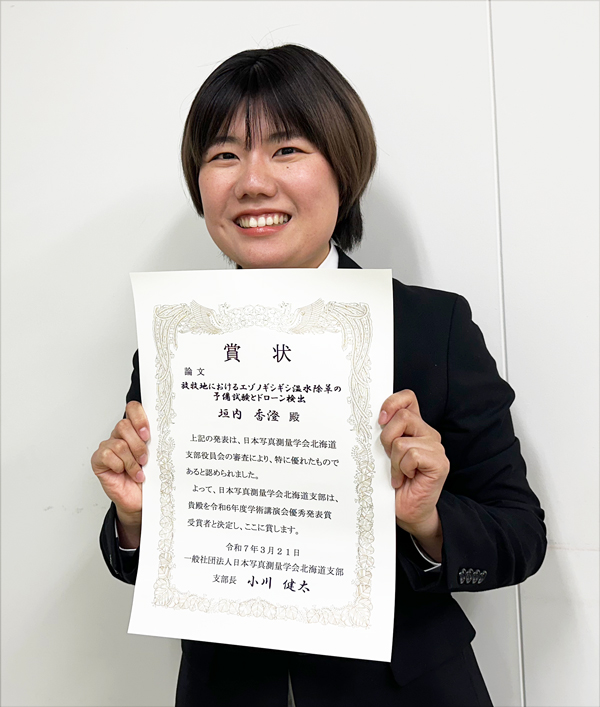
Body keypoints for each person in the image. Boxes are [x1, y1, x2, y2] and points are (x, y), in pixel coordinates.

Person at [92, 44, 547, 707]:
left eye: (287, 149)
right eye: (224, 155)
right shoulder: (177, 338)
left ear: (343, 167)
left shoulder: (432, 328)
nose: (253, 182)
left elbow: (521, 536)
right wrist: (135, 518)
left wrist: (428, 520)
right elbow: (152, 560)